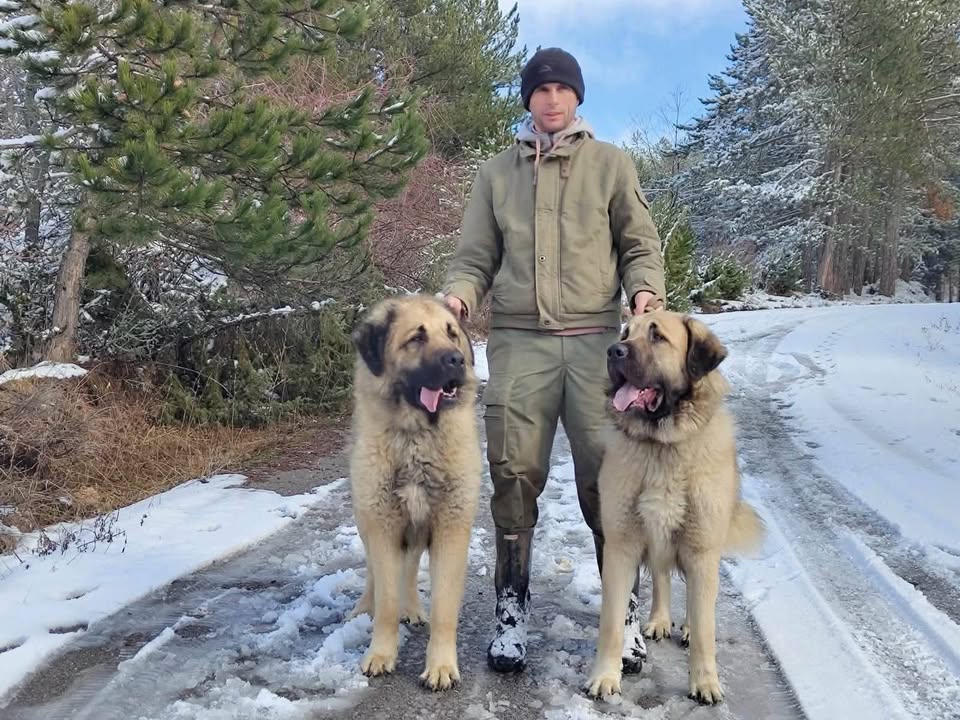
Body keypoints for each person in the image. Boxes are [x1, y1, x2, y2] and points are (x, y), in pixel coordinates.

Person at [441, 47, 667, 673]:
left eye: (563, 88)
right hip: (519, 343)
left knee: (607, 478)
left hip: (599, 345)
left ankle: (623, 616)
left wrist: (644, 293)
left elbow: (639, 246)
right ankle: (510, 612)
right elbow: (473, 257)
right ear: (528, 101)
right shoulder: (496, 174)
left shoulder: (611, 165)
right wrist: (458, 295)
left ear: (578, 98)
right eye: (540, 90)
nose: (552, 99)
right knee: (512, 471)